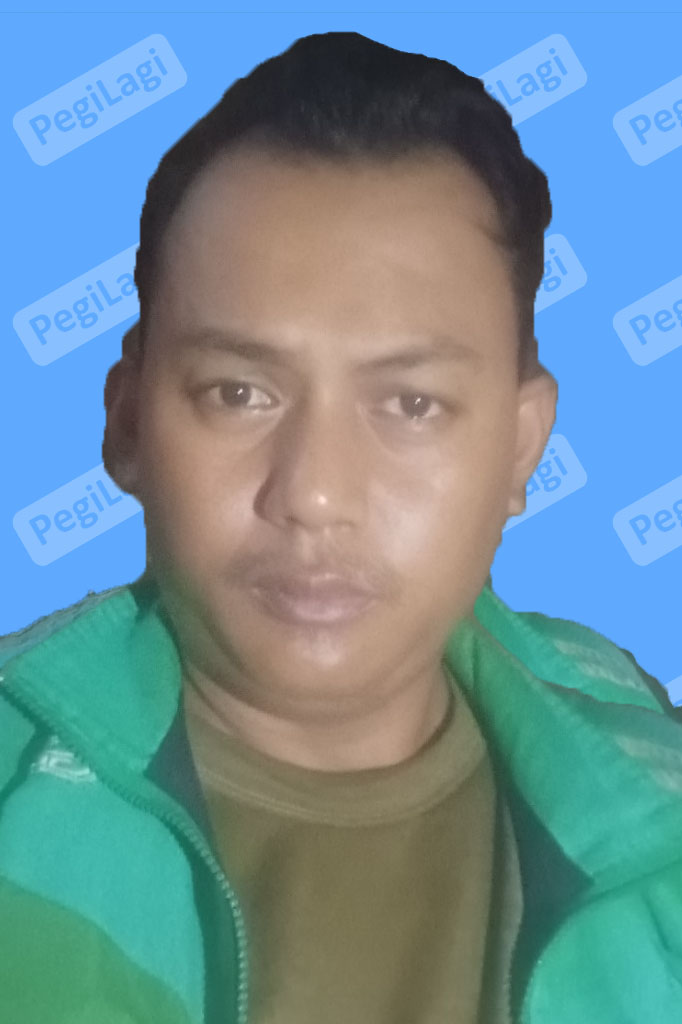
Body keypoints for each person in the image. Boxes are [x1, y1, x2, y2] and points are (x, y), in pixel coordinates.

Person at [1, 30, 681, 1024]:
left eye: (410, 404)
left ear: (520, 448)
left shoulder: (653, 794)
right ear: (127, 421)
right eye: (238, 393)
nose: (315, 493)